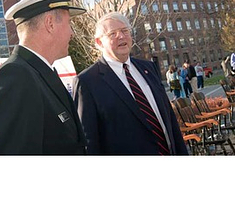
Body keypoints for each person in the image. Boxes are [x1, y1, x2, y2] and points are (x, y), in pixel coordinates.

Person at [0, 0, 87, 155]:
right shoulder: (15, 78)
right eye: (69, 24)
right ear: (50, 24)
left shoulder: (37, 73)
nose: (72, 33)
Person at [72, 12, 188, 155]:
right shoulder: (87, 82)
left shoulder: (148, 68)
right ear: (99, 42)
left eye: (124, 31)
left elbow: (169, 119)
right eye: (112, 34)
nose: (121, 36)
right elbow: (89, 142)